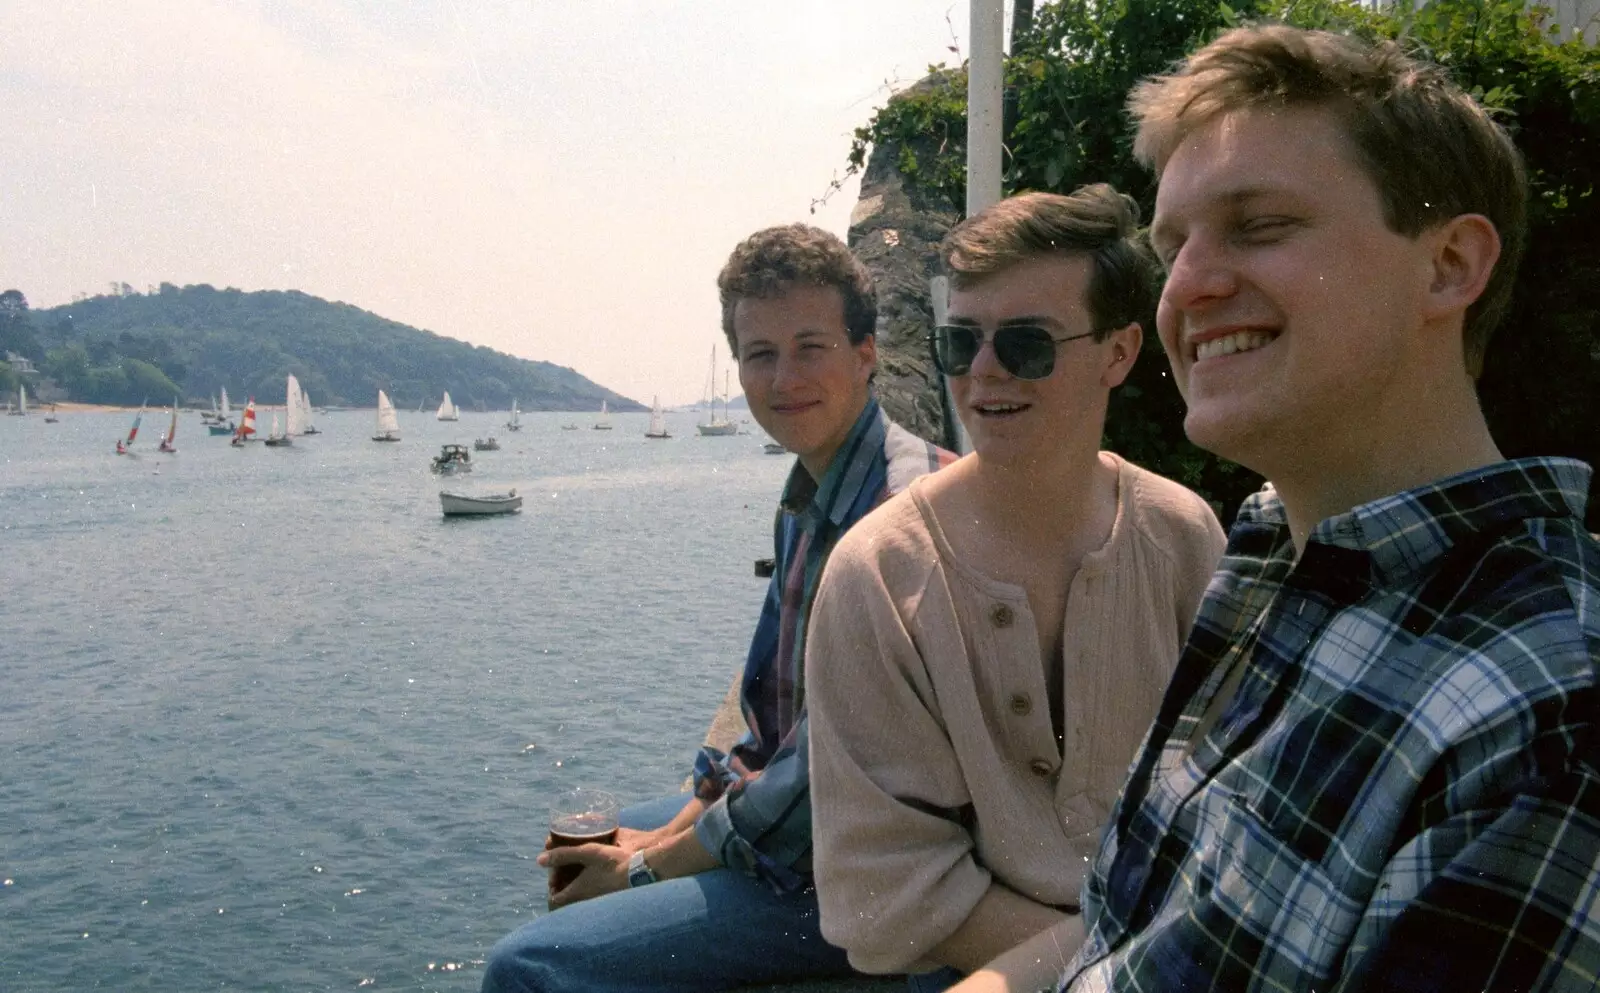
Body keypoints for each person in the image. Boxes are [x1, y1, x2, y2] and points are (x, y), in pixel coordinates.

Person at [953, 24, 1600, 993]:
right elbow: (1136, 930)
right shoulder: (1270, 558)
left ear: (1448, 266)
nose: (1187, 286)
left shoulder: (1544, 719)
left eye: (1258, 227)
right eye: (1173, 246)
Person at [481, 223, 955, 993]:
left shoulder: (896, 516)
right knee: (607, 835)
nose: (783, 377)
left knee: (529, 966)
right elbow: (766, 705)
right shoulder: (813, 493)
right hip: (829, 829)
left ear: (865, 354)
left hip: (877, 870)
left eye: (810, 347)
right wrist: (671, 827)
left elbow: (821, 775)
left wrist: (643, 867)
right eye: (759, 353)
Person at [805, 185, 1228, 992]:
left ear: (1119, 351)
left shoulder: (1183, 538)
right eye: (960, 343)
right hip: (1000, 963)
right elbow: (881, 893)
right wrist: (1118, 956)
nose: (985, 371)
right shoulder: (877, 575)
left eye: (1027, 344)